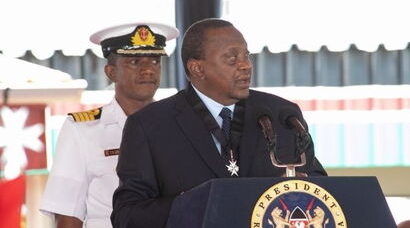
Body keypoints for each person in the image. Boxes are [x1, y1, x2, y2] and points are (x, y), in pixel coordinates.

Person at [111, 18, 327, 228]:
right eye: (232, 59)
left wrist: (297, 189)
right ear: (197, 69)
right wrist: (193, 202)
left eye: (246, 56)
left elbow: (320, 185)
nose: (245, 66)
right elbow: (127, 215)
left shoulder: (283, 115)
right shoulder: (150, 125)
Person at [40, 22, 179, 228]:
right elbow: (68, 214)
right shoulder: (81, 130)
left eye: (155, 61)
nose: (148, 69)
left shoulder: (177, 126)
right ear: (111, 72)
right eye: (134, 61)